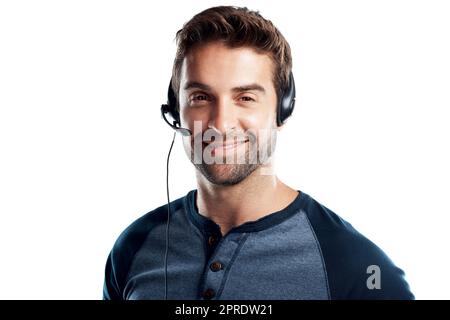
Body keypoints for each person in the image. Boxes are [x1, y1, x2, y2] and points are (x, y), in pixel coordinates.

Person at [103, 5, 414, 300]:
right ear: (176, 110)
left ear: (283, 109)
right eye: (200, 97)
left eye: (246, 97)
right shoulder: (133, 247)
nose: (220, 123)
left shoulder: (357, 267)